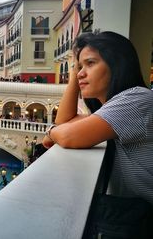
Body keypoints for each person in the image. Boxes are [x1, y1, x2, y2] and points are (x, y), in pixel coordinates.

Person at [42, 31, 153, 205]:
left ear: (117, 64)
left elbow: (67, 136)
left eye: (90, 63)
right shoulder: (114, 108)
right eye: (79, 67)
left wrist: (50, 132)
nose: (80, 73)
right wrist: (75, 73)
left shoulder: (135, 100)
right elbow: (63, 122)